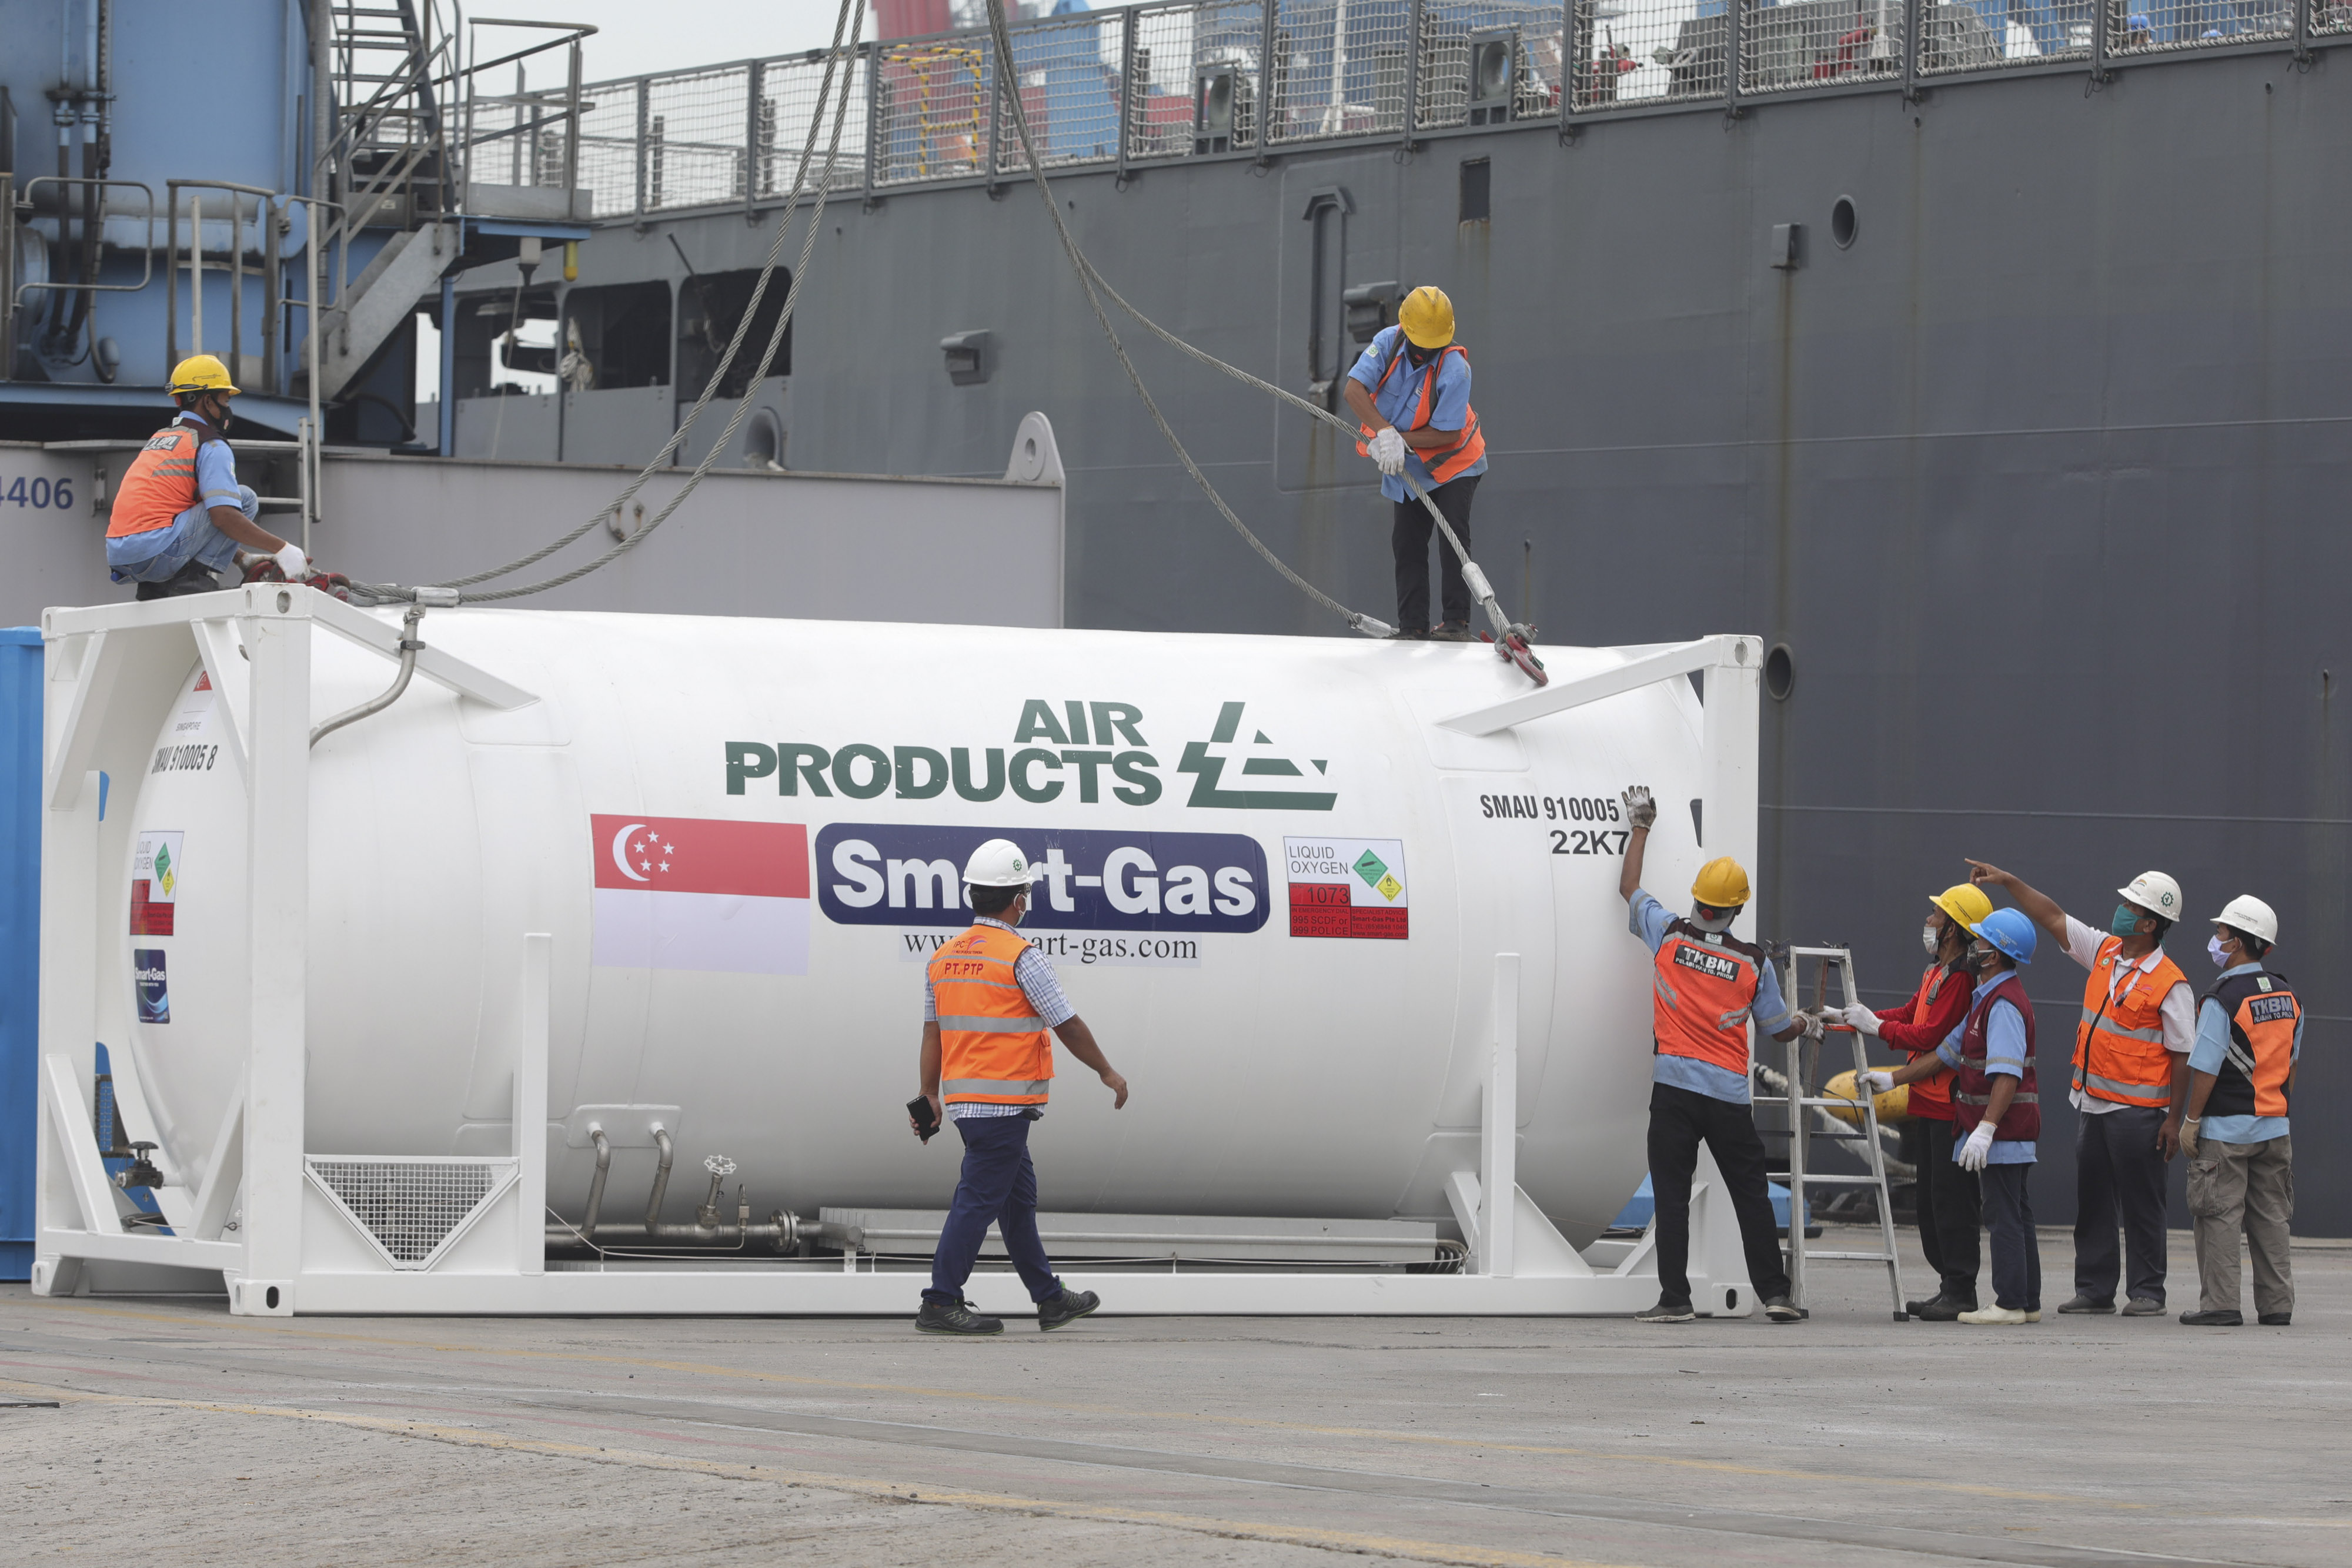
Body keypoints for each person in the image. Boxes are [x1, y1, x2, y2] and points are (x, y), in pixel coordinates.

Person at [912, 837, 1130, 1336]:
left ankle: (1050, 1298)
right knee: (978, 1201)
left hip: (969, 1106)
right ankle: (940, 1300)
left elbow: (932, 1032)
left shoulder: (942, 958)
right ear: (1019, 899)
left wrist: (929, 1095)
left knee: (1015, 1201)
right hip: (1004, 1104)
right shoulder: (1020, 955)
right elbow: (1066, 1023)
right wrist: (1107, 1071)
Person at [1617, 785, 1809, 1324]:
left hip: (1673, 1090)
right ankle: (1775, 1293)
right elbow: (1778, 1028)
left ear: (1697, 897)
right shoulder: (1754, 963)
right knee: (1750, 1194)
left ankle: (1674, 1298)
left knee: (1672, 1196)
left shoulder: (1668, 934)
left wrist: (1642, 825)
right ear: (1737, 908)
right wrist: (1807, 1020)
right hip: (1727, 1095)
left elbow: (1629, 887)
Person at [1967, 861, 2191, 1318]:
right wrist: (2010, 881)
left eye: (2131, 906)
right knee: (2092, 1202)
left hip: (2140, 1112)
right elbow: (2052, 917)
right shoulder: (2106, 952)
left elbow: (2183, 1052)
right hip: (2094, 1105)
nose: (2121, 910)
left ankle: (2148, 1291)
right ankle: (2095, 1288)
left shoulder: (2171, 982)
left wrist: (2174, 1119)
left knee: (2143, 1204)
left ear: (2149, 923)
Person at [1863, 908, 2043, 1325]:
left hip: (2003, 1129)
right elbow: (1945, 1052)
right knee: (2015, 1210)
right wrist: (1893, 1079)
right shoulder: (1986, 998)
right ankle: (2027, 1301)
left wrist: (1985, 1128)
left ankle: (2011, 1302)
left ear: (1995, 955)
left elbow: (2007, 1074)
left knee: (2003, 1213)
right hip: (2003, 1128)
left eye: (1981, 942)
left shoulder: (2003, 1005)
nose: (1973, 947)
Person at [1837, 882, 1989, 1320]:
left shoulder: (1961, 978)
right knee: (1929, 1202)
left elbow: (1929, 1037)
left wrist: (1876, 1029)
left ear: (1954, 930)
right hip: (1926, 1103)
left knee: (1952, 1200)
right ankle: (1948, 1285)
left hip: (1949, 1106)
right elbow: (1909, 1014)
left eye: (1937, 916)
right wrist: (1857, 1018)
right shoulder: (1935, 973)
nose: (1928, 921)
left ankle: (1962, 1288)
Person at [2179, 895, 2300, 1328]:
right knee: (2272, 1216)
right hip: (2275, 1126)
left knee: (2218, 1214)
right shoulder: (2288, 996)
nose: (2216, 939)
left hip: (2226, 1131)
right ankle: (2277, 1305)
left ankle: (2221, 1304)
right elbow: (2291, 1064)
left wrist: (2191, 1122)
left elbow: (2206, 1068)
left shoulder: (2221, 998)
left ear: (2240, 943)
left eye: (2222, 933)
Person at [1345, 284, 1488, 643]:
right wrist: (1383, 432)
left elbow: (1449, 435)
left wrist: (1396, 439)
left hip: (1456, 463)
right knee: (1407, 541)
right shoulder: (1388, 344)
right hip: (1409, 465)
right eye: (1420, 341)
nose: (1426, 349)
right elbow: (1353, 390)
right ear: (1406, 329)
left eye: (1433, 343)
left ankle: (1456, 622)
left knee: (1452, 536)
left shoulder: (1456, 370)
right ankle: (1413, 627)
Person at [106, 355, 308, 600]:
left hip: (122, 556)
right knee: (244, 499)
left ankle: (157, 587)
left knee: (209, 503)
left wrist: (243, 559)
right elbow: (223, 516)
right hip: (157, 555)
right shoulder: (210, 444)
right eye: (225, 399)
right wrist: (283, 549)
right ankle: (190, 581)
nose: (227, 407)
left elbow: (180, 514)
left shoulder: (161, 438)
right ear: (208, 400)